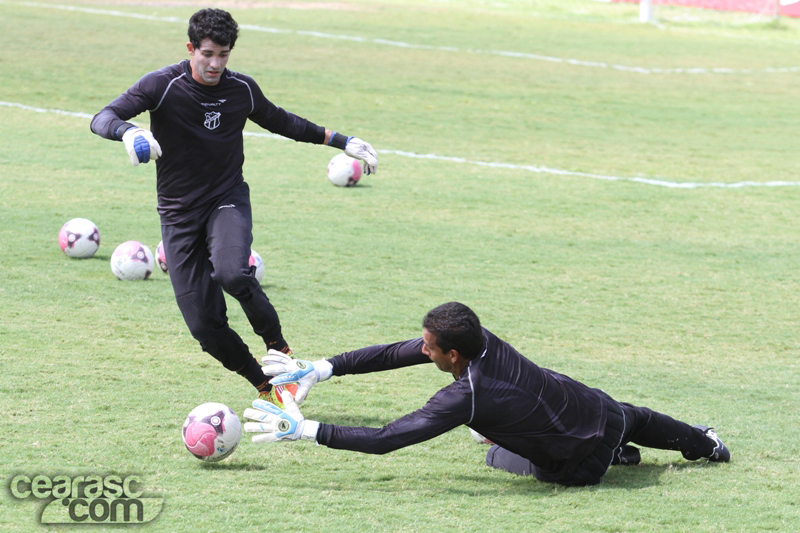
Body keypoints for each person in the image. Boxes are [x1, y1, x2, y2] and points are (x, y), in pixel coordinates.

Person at [90, 8, 378, 399]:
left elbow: (282, 121)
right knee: (204, 326)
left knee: (230, 272)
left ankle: (280, 350)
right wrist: (128, 131)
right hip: (177, 216)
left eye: (223, 55)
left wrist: (341, 140)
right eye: (207, 53)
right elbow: (102, 116)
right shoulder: (162, 85)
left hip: (226, 200)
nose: (215, 63)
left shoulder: (240, 89)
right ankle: (267, 387)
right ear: (191, 48)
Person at [244, 302, 730, 487]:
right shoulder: (481, 338)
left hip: (576, 467)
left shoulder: (466, 397)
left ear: (452, 354)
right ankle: (708, 445)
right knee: (636, 414)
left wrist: (304, 429)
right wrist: (325, 368)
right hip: (602, 411)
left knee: (493, 454)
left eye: (430, 347)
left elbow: (387, 438)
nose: (422, 350)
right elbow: (397, 353)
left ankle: (614, 462)